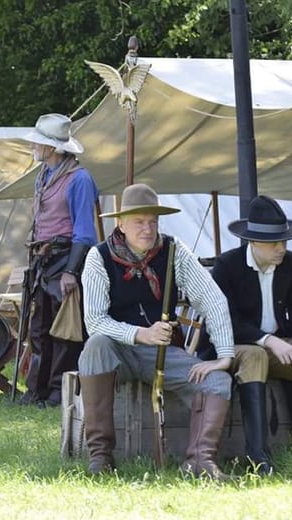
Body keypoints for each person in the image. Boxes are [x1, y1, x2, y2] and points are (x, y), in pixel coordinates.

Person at [80, 183, 234, 478]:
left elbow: (213, 300)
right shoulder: (98, 257)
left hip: (161, 352)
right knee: (96, 345)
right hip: (116, 352)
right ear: (121, 224)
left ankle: (199, 462)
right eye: (139, 221)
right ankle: (100, 459)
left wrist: (225, 356)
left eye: (153, 221)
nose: (148, 229)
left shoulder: (173, 251)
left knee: (217, 381)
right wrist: (140, 334)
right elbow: (95, 322)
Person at [210, 195, 292, 475]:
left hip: (281, 347)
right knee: (256, 355)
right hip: (236, 347)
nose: (281, 248)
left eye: (283, 241)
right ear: (253, 242)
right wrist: (269, 341)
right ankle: (258, 456)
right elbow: (225, 321)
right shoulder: (227, 266)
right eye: (273, 243)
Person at [20, 113, 99, 408]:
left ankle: (58, 393)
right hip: (44, 261)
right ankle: (36, 390)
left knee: (65, 332)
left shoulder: (80, 179)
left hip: (66, 260)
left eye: (38, 143)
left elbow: (85, 232)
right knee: (39, 329)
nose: (33, 147)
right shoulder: (44, 175)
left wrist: (71, 272)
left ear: (52, 147)